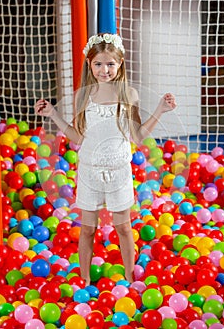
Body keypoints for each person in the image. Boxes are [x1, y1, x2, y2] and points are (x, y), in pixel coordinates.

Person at [35, 32, 176, 285]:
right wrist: (54, 114)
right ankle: (85, 279)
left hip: (119, 172)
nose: (104, 69)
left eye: (110, 63)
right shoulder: (83, 96)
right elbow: (77, 137)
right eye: (98, 63)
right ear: (90, 65)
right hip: (89, 173)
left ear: (120, 63)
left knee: (123, 228)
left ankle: (130, 275)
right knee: (87, 229)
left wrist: (160, 110)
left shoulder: (128, 95)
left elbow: (138, 136)